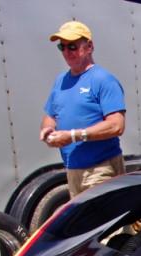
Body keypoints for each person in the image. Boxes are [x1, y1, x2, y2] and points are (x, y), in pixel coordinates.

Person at [40, 21, 127, 198]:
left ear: (89, 47)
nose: (66, 52)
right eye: (62, 47)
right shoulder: (61, 81)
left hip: (101, 169)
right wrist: (47, 130)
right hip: (73, 171)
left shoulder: (103, 80)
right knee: (87, 225)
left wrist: (73, 136)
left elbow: (116, 125)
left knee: (107, 223)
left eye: (72, 46)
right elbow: (50, 116)